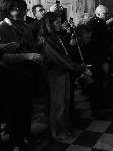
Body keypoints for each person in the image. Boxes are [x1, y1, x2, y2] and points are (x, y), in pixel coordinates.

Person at [0, 0, 42, 151]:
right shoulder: (0, 27)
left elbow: (30, 46)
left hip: (26, 73)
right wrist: (27, 56)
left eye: (23, 9)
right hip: (10, 76)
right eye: (17, 9)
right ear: (7, 11)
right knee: (14, 111)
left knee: (27, 107)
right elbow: (1, 57)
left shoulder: (24, 26)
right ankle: (16, 140)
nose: (21, 12)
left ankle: (25, 132)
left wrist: (36, 48)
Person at [38, 12, 86, 141]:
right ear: (49, 24)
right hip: (55, 73)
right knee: (58, 104)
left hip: (63, 72)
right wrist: (79, 67)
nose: (61, 25)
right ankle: (57, 132)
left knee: (65, 101)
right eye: (57, 23)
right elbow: (59, 58)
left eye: (60, 22)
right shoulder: (46, 38)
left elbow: (64, 54)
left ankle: (64, 127)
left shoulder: (56, 35)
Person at [83, 5, 112, 118]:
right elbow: (96, 46)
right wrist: (103, 61)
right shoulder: (93, 24)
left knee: (100, 84)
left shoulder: (100, 22)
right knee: (95, 85)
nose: (107, 15)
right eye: (105, 14)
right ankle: (96, 110)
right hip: (95, 60)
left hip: (100, 58)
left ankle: (101, 105)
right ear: (98, 14)